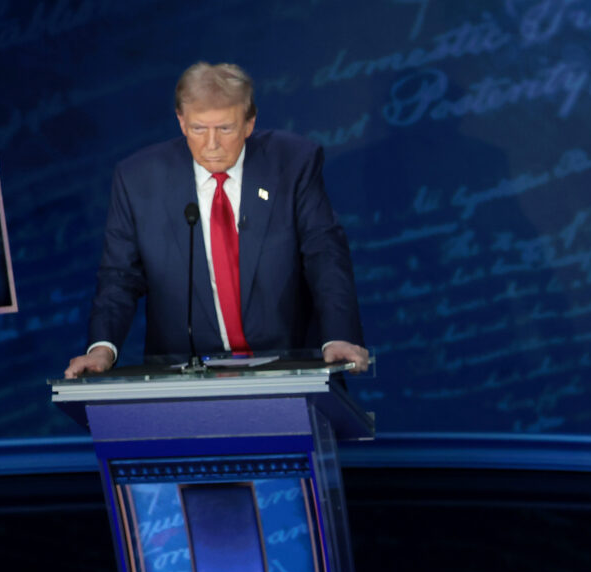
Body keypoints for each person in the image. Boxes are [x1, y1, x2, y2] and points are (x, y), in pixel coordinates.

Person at [65, 62, 369, 378]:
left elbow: (326, 257)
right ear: (181, 122)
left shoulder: (293, 164)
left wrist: (339, 336)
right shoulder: (138, 180)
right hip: (181, 376)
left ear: (249, 123)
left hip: (287, 367)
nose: (212, 144)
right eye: (198, 129)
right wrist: (102, 348)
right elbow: (119, 277)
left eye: (225, 128)